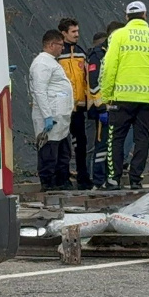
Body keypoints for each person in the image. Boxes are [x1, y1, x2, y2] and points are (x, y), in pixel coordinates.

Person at [100, 1, 149, 190]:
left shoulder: (119, 36)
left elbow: (109, 67)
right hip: (147, 100)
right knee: (142, 137)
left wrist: (107, 94)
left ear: (126, 17)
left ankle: (113, 179)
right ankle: (136, 179)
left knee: (116, 137)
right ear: (145, 15)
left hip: (122, 97)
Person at [30, 29, 74, 190]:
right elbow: (40, 91)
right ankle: (48, 183)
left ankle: (61, 181)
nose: (62, 48)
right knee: (49, 152)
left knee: (62, 152)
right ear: (50, 44)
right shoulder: (42, 63)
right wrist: (47, 116)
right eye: (60, 45)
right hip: (51, 116)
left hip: (60, 116)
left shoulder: (51, 62)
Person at [88, 22, 125, 186]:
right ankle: (98, 180)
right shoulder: (98, 54)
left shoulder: (121, 50)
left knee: (115, 144)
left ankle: (112, 178)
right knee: (102, 145)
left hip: (119, 106)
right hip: (103, 107)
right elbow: (94, 83)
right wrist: (102, 107)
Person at [56, 17, 91, 190]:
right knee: (62, 143)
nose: (77, 35)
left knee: (81, 144)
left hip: (79, 106)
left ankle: (83, 178)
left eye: (78, 31)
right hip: (62, 106)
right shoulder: (57, 55)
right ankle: (63, 178)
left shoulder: (81, 52)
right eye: (73, 32)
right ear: (63, 33)